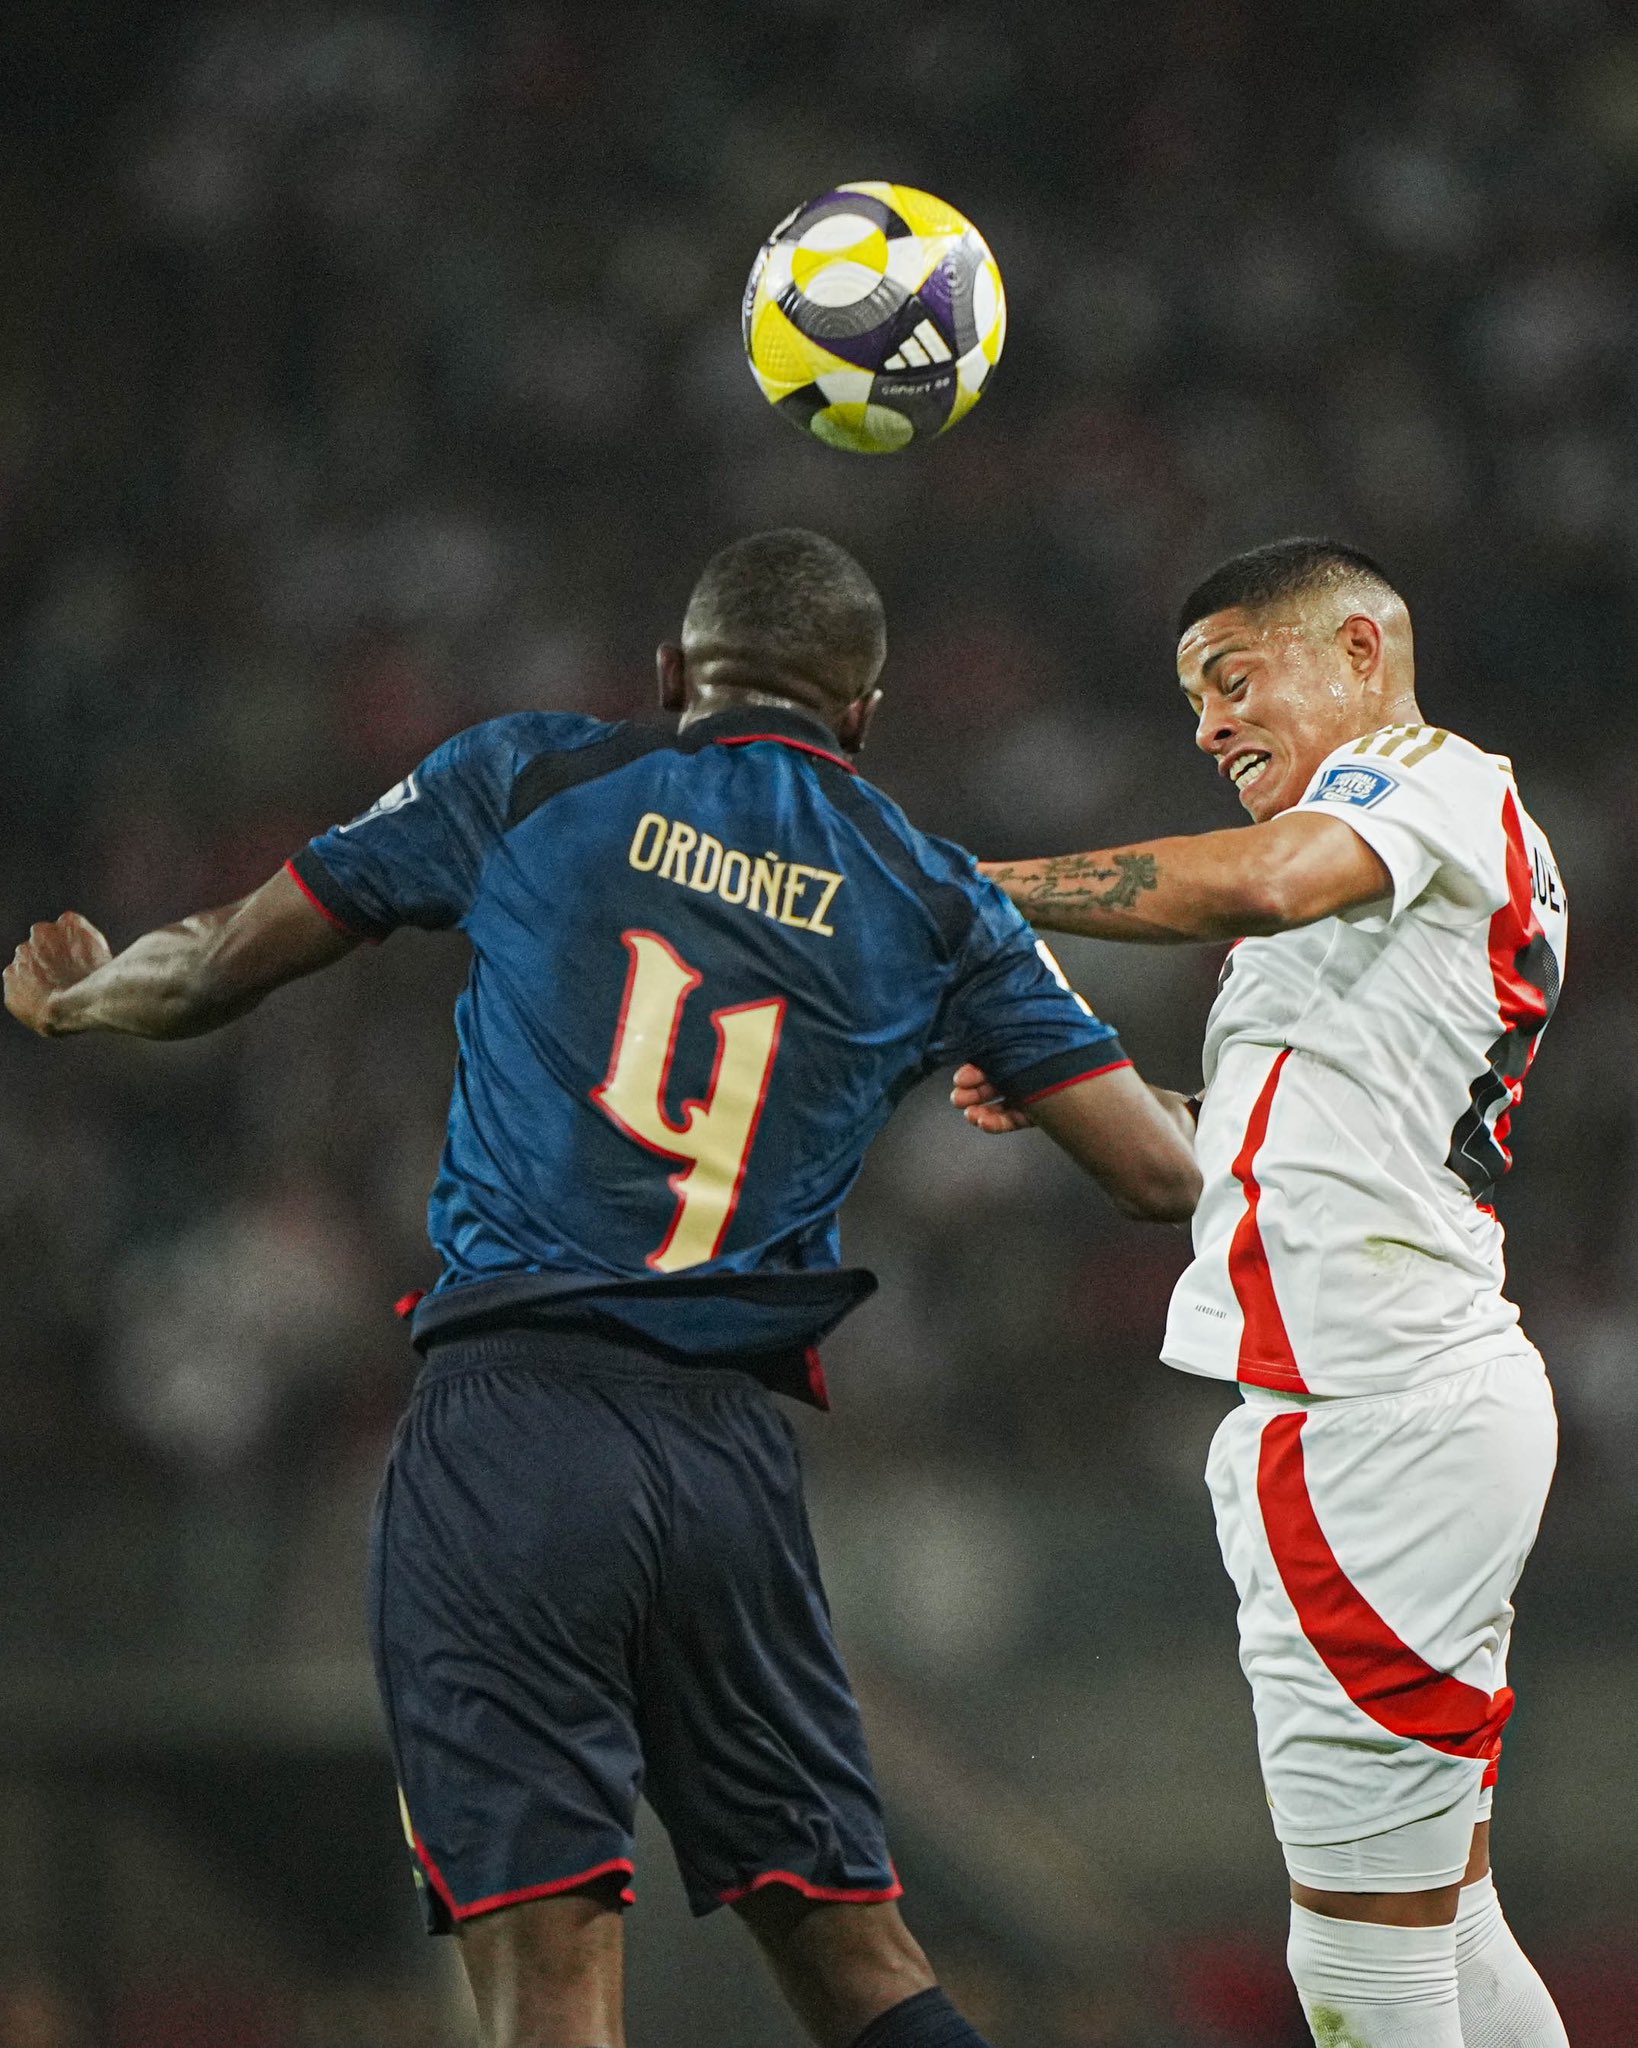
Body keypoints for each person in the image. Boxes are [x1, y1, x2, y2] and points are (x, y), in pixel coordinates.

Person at [5, 528, 1198, 2048]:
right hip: (726, 1468)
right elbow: (1156, 1176)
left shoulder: (526, 778)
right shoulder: (934, 894)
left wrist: (83, 997)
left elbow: (222, 962)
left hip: (514, 1433)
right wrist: (1045, 1064)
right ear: (864, 715)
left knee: (550, 1988)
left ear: (668, 678)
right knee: (859, 1961)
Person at [955, 537, 1569, 2048]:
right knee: (1445, 1918)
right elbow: (1211, 1167)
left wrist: (960, 893)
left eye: (1232, 680)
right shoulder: (1388, 881)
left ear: (1360, 654)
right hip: (1407, 1399)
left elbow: (1258, 882)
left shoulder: (1412, 784)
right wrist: (1073, 1098)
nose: (1208, 725)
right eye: (1191, 699)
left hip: (1369, 1420)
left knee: (1355, 1965)